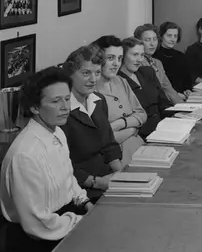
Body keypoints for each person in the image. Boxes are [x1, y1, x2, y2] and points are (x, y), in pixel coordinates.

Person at [0, 67, 93, 252]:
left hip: (66, 218)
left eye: (67, 99)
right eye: (56, 101)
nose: (65, 107)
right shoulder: (25, 155)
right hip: (38, 239)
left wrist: (85, 203)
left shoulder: (57, 132)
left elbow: (68, 178)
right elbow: (37, 225)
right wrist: (80, 222)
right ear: (35, 107)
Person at [60, 46, 123, 202]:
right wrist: (97, 182)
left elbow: (109, 144)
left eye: (97, 73)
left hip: (106, 178)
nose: (93, 79)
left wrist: (121, 175)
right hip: (80, 188)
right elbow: (62, 165)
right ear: (70, 75)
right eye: (86, 73)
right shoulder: (61, 111)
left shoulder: (99, 100)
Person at [92, 35, 147, 166]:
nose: (116, 64)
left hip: (139, 147)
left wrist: (120, 124)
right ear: (98, 59)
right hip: (114, 159)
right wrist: (131, 129)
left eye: (120, 58)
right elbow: (99, 139)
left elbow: (141, 114)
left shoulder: (121, 81)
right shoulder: (90, 89)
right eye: (110, 58)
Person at [119, 37, 172, 138]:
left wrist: (176, 118)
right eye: (135, 55)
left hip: (163, 126)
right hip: (140, 133)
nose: (139, 59)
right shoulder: (118, 81)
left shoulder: (148, 72)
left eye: (142, 55)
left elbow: (164, 102)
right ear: (123, 56)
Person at [134, 24, 185, 103]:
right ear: (138, 42)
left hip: (164, 104)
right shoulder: (136, 64)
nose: (152, 44)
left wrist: (183, 106)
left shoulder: (157, 63)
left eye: (154, 39)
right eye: (147, 40)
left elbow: (169, 89)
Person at [154, 21, 194, 93]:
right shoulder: (154, 57)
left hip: (183, 96)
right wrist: (175, 95)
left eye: (175, 36)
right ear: (161, 36)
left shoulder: (182, 56)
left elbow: (187, 79)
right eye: (169, 36)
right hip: (164, 96)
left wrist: (188, 90)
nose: (173, 39)